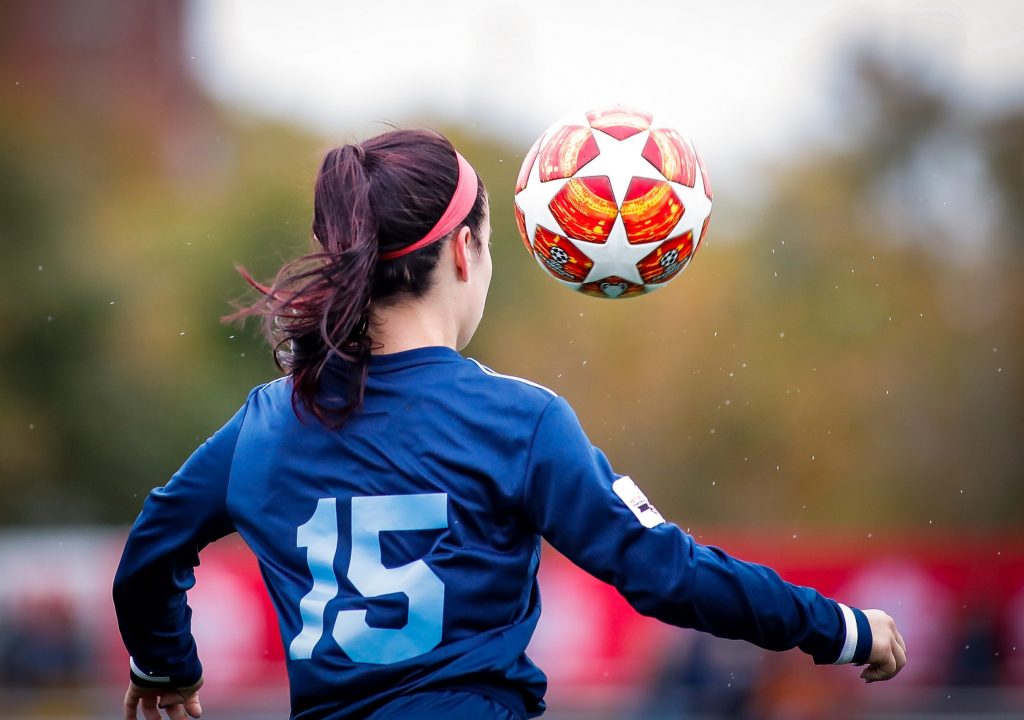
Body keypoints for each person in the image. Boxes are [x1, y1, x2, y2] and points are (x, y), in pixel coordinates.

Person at [113, 129, 907, 720]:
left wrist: (165, 668)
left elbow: (149, 553)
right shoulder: (517, 421)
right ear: (465, 251)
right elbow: (665, 571)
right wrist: (835, 626)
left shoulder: (264, 422)